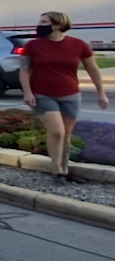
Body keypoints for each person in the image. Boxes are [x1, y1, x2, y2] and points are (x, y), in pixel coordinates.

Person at [20, 11, 109, 183]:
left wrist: (101, 92)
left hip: (71, 95)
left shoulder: (78, 45)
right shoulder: (33, 45)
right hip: (42, 94)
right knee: (57, 131)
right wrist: (27, 92)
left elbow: (93, 70)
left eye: (44, 21)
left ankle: (64, 169)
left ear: (58, 24)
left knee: (66, 134)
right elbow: (24, 70)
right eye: (40, 21)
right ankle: (56, 171)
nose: (40, 25)